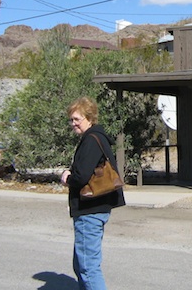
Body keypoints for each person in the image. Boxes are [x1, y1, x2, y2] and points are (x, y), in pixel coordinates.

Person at [61, 96, 125, 290]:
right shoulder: (97, 138)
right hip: (95, 208)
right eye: (71, 120)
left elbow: (81, 177)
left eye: (77, 119)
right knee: (81, 264)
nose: (73, 124)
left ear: (89, 118)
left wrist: (67, 178)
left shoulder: (91, 140)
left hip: (90, 210)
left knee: (88, 267)